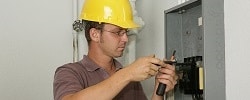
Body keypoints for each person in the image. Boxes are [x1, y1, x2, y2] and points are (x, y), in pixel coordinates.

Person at [53, 0, 177, 100]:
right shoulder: (70, 72)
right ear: (95, 34)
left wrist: (158, 92)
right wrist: (128, 74)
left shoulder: (130, 77)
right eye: (117, 32)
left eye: (125, 32)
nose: (125, 39)